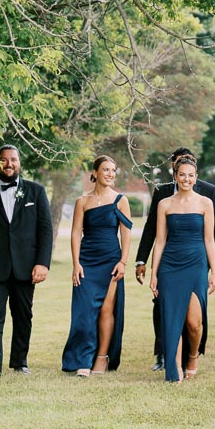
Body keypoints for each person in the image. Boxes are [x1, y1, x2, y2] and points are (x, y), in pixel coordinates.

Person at [0, 144, 53, 384]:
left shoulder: (36, 192)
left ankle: (19, 361)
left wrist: (42, 263)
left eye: (13, 160)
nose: (9, 164)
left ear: (19, 162)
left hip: (26, 268)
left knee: (23, 316)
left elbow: (45, 231)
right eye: (4, 160)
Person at [136, 147, 215, 371]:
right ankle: (173, 369)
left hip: (196, 265)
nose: (186, 178)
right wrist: (153, 272)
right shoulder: (164, 202)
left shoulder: (207, 201)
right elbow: (158, 240)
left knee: (194, 322)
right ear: (175, 175)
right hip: (170, 265)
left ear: (196, 177)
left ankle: (193, 358)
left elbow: (211, 239)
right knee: (171, 320)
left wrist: (213, 270)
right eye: (182, 174)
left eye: (191, 175)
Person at [61, 155, 133, 376]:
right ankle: (83, 359)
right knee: (83, 312)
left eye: (113, 170)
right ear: (95, 172)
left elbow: (126, 233)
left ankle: (101, 358)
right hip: (87, 261)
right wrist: (76, 264)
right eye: (106, 170)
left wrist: (123, 262)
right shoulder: (83, 201)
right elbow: (75, 233)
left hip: (111, 261)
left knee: (106, 310)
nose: (110, 174)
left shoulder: (121, 200)